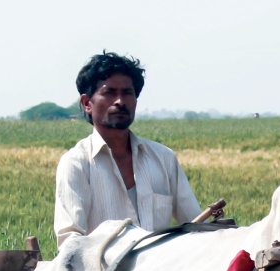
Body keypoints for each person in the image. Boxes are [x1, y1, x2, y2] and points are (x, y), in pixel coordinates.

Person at [54, 52, 202, 247]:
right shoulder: (77, 163)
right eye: (109, 92)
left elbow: (198, 227)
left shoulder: (164, 158)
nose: (120, 102)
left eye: (127, 93)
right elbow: (71, 243)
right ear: (87, 103)